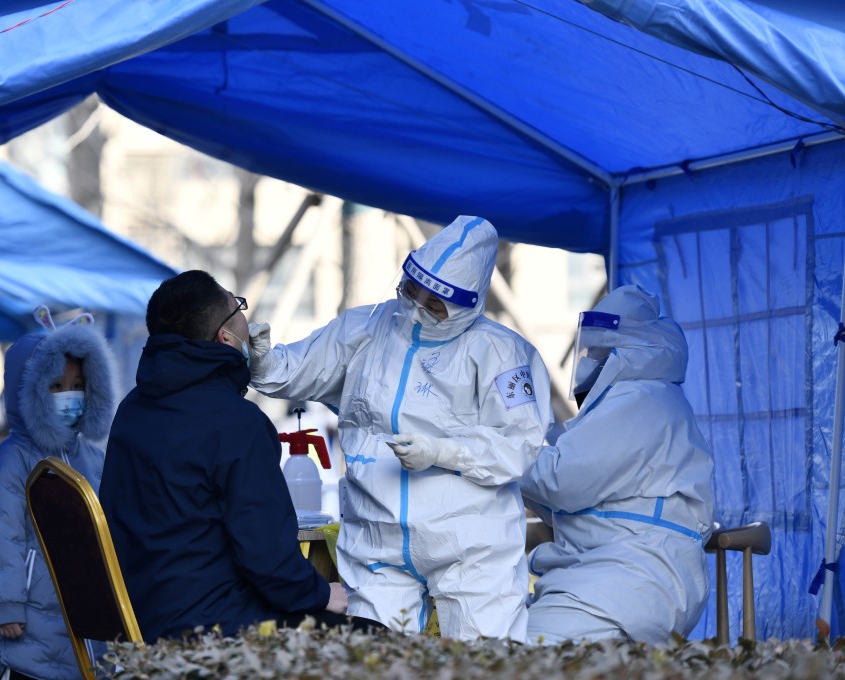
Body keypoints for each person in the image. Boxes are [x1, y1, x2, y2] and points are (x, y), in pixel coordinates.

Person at [248, 215, 553, 641]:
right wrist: (262, 360)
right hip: (378, 537)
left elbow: (522, 446)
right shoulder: (369, 326)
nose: (417, 307)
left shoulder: (501, 353)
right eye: (412, 291)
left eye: (434, 304)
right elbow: (296, 370)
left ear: (468, 305)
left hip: (470, 546)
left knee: (486, 662)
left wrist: (444, 453)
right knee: (373, 661)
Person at [100, 270, 355, 641]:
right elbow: (267, 558)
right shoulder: (237, 423)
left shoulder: (132, 409)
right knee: (368, 634)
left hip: (135, 623)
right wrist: (319, 593)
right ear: (226, 336)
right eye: (239, 307)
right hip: (217, 628)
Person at [521, 284, 715, 644]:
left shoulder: (639, 399)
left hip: (630, 576)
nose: (587, 357)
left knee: (529, 652)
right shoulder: (642, 397)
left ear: (626, 352)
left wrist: (495, 453)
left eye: (596, 350)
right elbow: (578, 504)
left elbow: (561, 481)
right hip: (622, 573)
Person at [0, 311, 117, 680]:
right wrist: (8, 605)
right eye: (56, 386)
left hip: (88, 611)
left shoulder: (94, 457)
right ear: (29, 391)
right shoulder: (9, 460)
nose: (71, 395)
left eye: (79, 384)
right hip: (30, 618)